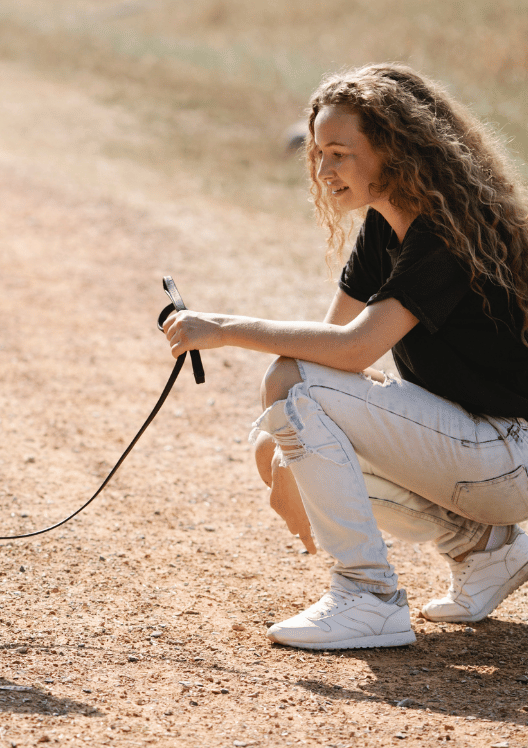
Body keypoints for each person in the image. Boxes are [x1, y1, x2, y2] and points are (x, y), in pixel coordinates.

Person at [163, 63, 528, 650]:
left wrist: (223, 327)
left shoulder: (446, 232)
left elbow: (354, 348)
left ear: (394, 149)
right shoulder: (385, 227)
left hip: (512, 454)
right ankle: (485, 550)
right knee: (276, 436)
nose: (322, 169)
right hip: (479, 450)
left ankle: (369, 596)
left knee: (288, 385)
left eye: (338, 152)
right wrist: (281, 456)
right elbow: (334, 356)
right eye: (317, 152)